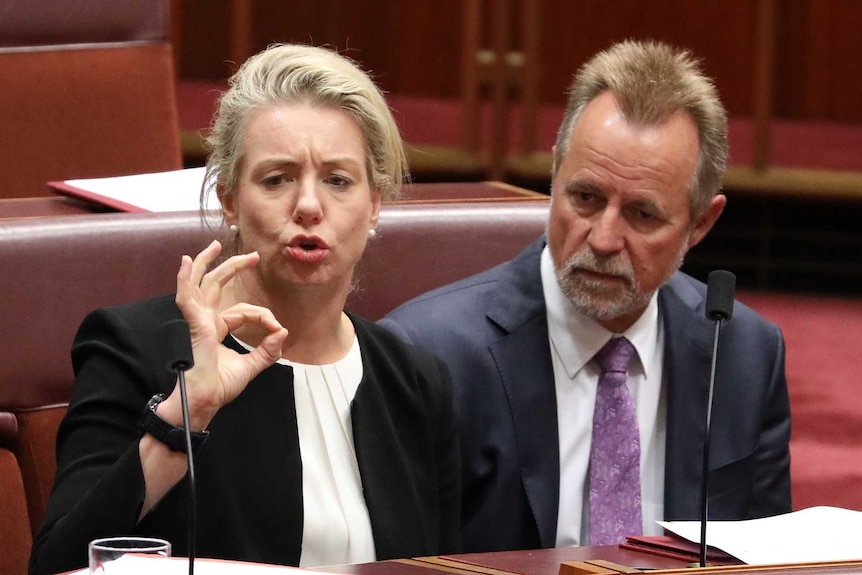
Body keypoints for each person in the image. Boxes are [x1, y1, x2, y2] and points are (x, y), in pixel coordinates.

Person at [30, 44, 460, 575]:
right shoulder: (137, 348)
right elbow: (58, 565)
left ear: (374, 204)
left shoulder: (416, 384)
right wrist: (185, 416)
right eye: (276, 178)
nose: (308, 205)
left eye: (338, 180)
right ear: (231, 199)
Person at [380, 39, 791, 552]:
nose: (602, 239)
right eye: (586, 198)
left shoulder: (744, 355)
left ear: (701, 224)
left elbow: (769, 560)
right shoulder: (429, 355)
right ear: (556, 173)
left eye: (643, 214)